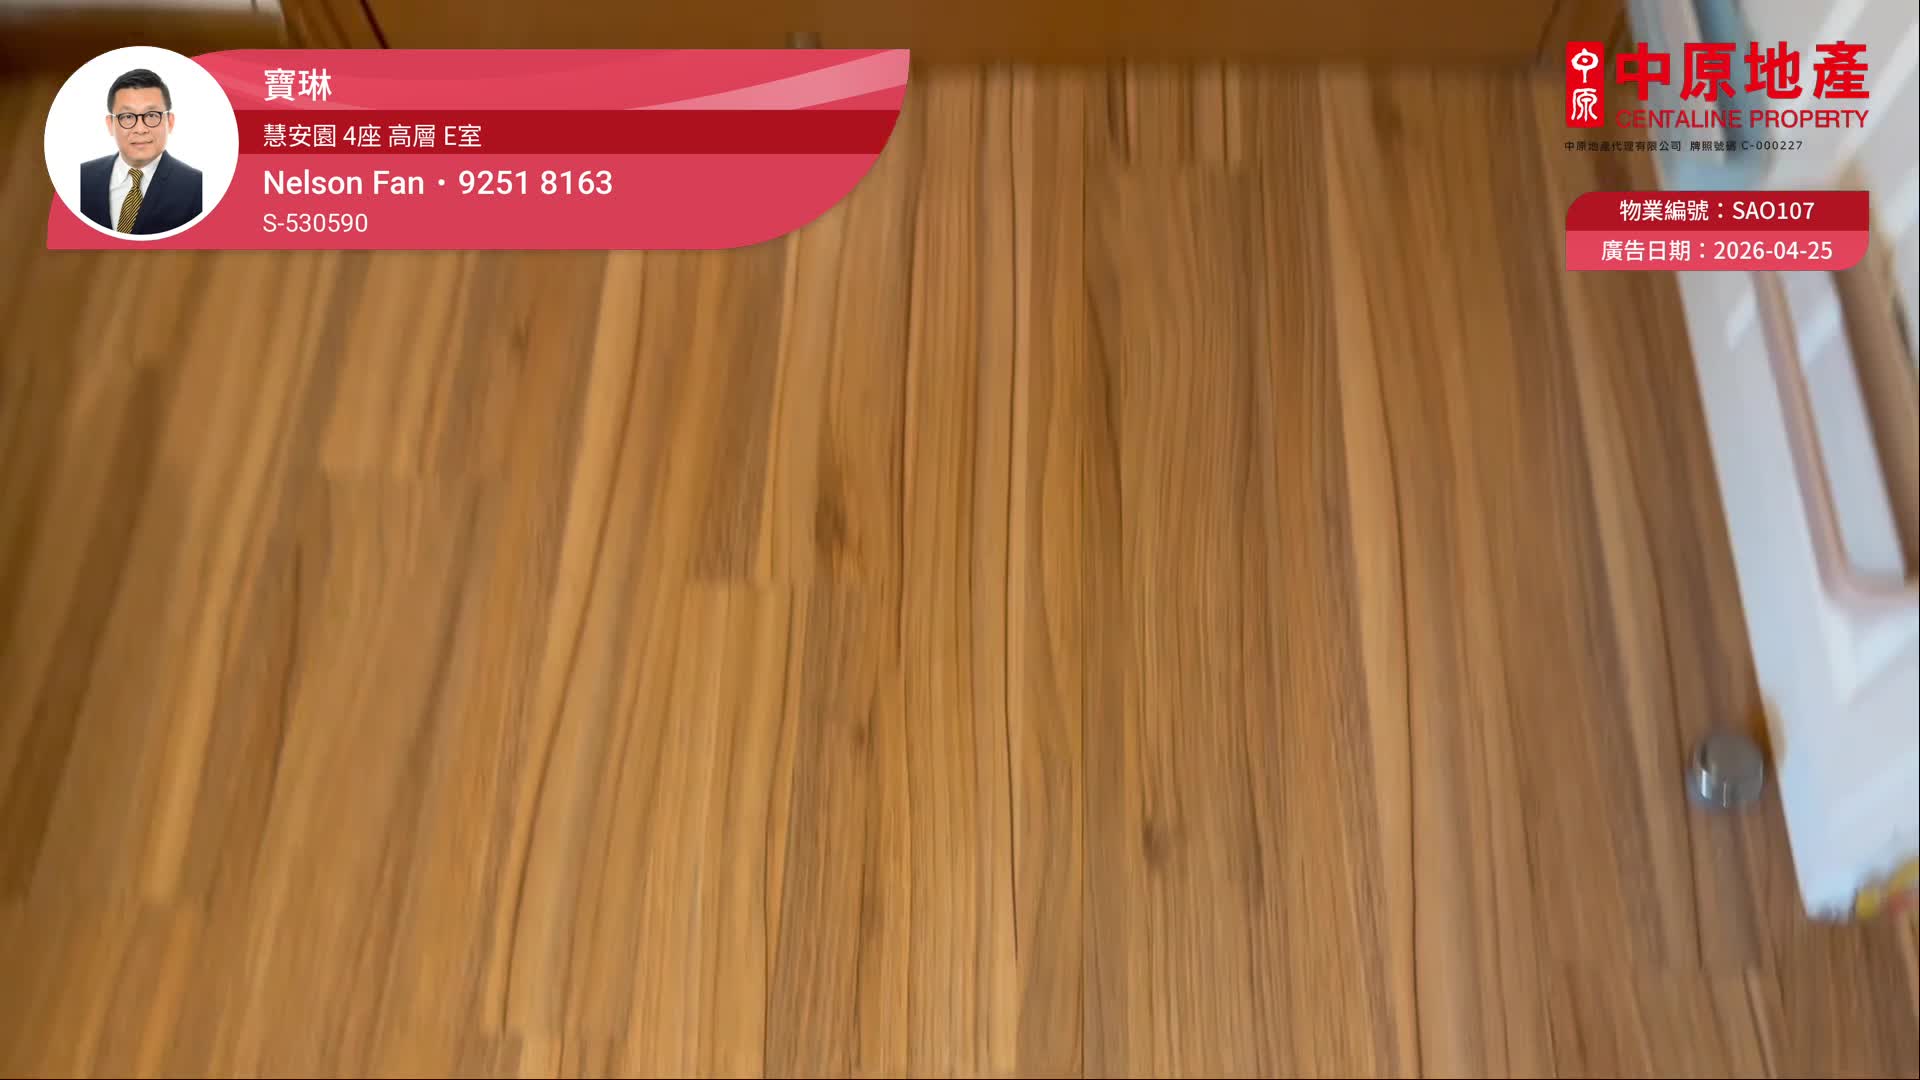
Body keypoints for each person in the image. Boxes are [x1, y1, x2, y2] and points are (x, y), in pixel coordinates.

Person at [80, 69, 204, 235]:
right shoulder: (80, 178)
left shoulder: (199, 187)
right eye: (127, 117)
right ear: (110, 124)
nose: (140, 129)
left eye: (152, 115)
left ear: (170, 122)